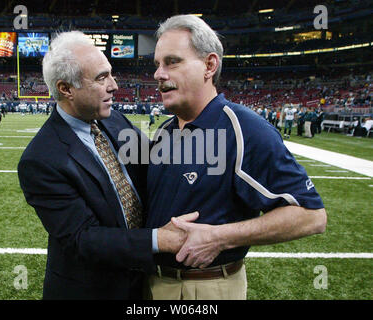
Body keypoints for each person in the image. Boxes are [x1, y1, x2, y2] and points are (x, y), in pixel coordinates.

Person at [145, 15, 326, 300]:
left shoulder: (246, 128)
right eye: (157, 64)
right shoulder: (165, 130)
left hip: (203, 287)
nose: (159, 74)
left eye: (172, 61)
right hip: (151, 282)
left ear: (209, 65)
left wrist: (219, 237)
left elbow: (312, 216)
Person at [18, 31, 196, 300]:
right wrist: (159, 239)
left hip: (143, 283)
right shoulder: (41, 159)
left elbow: (153, 166)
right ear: (66, 88)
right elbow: (83, 238)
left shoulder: (115, 121)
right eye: (101, 78)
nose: (114, 85)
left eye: (111, 74)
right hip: (93, 290)